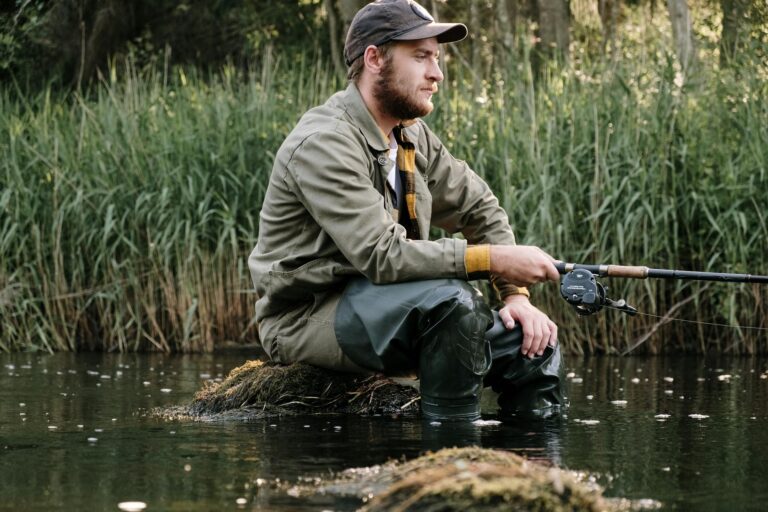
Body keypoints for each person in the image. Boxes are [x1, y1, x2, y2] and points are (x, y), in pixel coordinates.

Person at [248, 0, 564, 421]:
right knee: (455, 305)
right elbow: (383, 255)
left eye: (436, 57)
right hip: (307, 316)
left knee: (532, 340)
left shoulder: (410, 134)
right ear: (374, 59)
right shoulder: (325, 142)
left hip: (396, 305)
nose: (437, 73)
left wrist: (515, 296)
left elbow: (479, 207)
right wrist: (496, 259)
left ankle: (534, 466)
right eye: (421, 57)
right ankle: (451, 459)